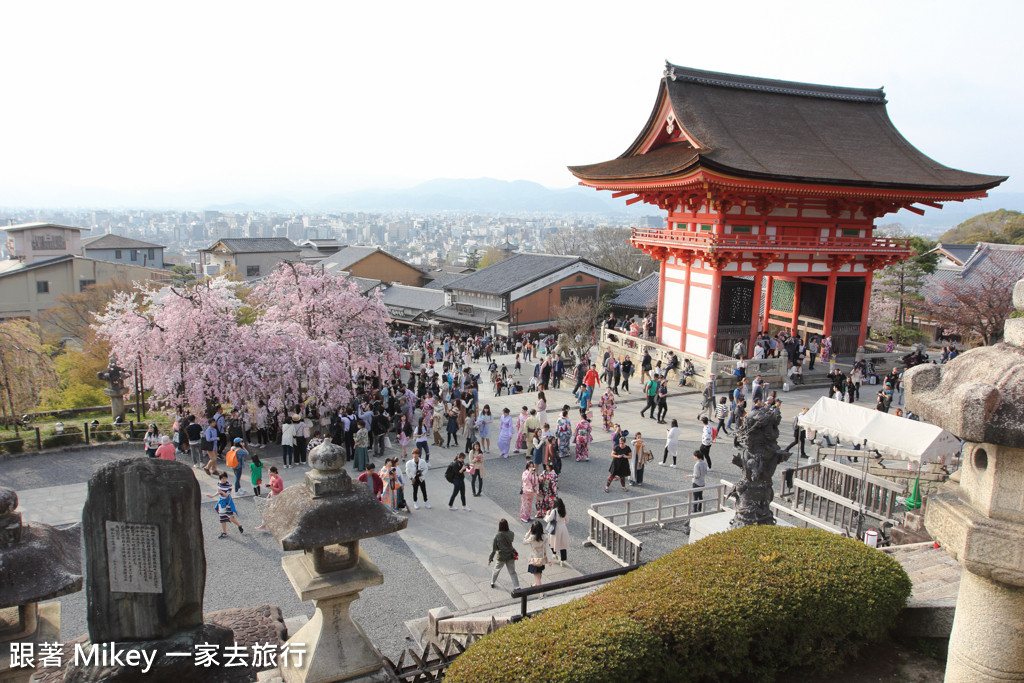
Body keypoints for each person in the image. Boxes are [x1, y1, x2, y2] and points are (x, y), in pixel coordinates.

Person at [206, 472, 243, 538]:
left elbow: (227, 495)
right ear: (220, 479)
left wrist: (222, 492)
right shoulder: (219, 483)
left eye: (225, 478)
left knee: (231, 517)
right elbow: (218, 491)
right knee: (222, 517)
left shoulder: (229, 485)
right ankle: (224, 532)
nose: (224, 479)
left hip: (228, 502)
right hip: (222, 502)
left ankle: (239, 525)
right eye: (223, 478)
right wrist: (212, 496)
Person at [488, 518, 520, 590]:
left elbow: (494, 549)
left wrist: (490, 559)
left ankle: (492, 582)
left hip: (501, 557)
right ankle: (517, 586)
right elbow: (511, 540)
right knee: (512, 572)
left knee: (496, 570)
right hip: (510, 556)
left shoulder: (497, 536)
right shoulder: (511, 533)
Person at [523, 520, 550, 587]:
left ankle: (541, 593)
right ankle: (536, 584)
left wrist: (528, 533)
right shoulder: (545, 537)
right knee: (539, 573)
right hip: (542, 558)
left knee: (536, 575)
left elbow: (524, 542)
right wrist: (550, 559)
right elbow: (548, 548)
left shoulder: (532, 537)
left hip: (534, 558)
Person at [544, 498, 569, 566]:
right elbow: (567, 520)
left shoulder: (554, 511)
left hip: (555, 529)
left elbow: (548, 520)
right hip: (563, 528)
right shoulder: (563, 511)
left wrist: (546, 515)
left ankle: (554, 554)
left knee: (552, 542)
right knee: (562, 545)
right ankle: (562, 561)